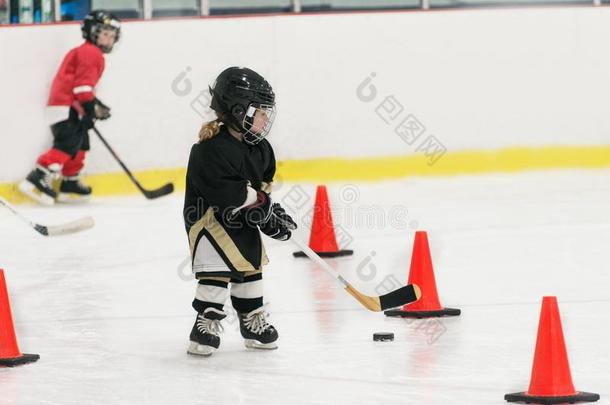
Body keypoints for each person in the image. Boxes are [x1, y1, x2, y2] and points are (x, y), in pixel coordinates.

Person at [183, 66, 297, 357]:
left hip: (240, 218)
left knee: (251, 264)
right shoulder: (209, 149)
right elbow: (228, 194)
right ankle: (205, 322)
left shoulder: (261, 149)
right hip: (209, 218)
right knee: (218, 266)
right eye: (260, 112)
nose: (265, 118)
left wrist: (272, 213)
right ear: (237, 110)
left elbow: (262, 190)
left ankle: (251, 321)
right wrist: (263, 209)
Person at [19, 10, 121, 205]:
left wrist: (94, 106)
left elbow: (82, 87)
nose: (109, 39)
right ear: (92, 32)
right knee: (67, 144)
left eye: (112, 35)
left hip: (69, 106)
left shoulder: (87, 52)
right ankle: (38, 176)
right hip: (65, 108)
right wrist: (91, 108)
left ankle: (70, 182)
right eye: (105, 33)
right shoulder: (91, 52)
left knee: (81, 143)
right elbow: (82, 88)